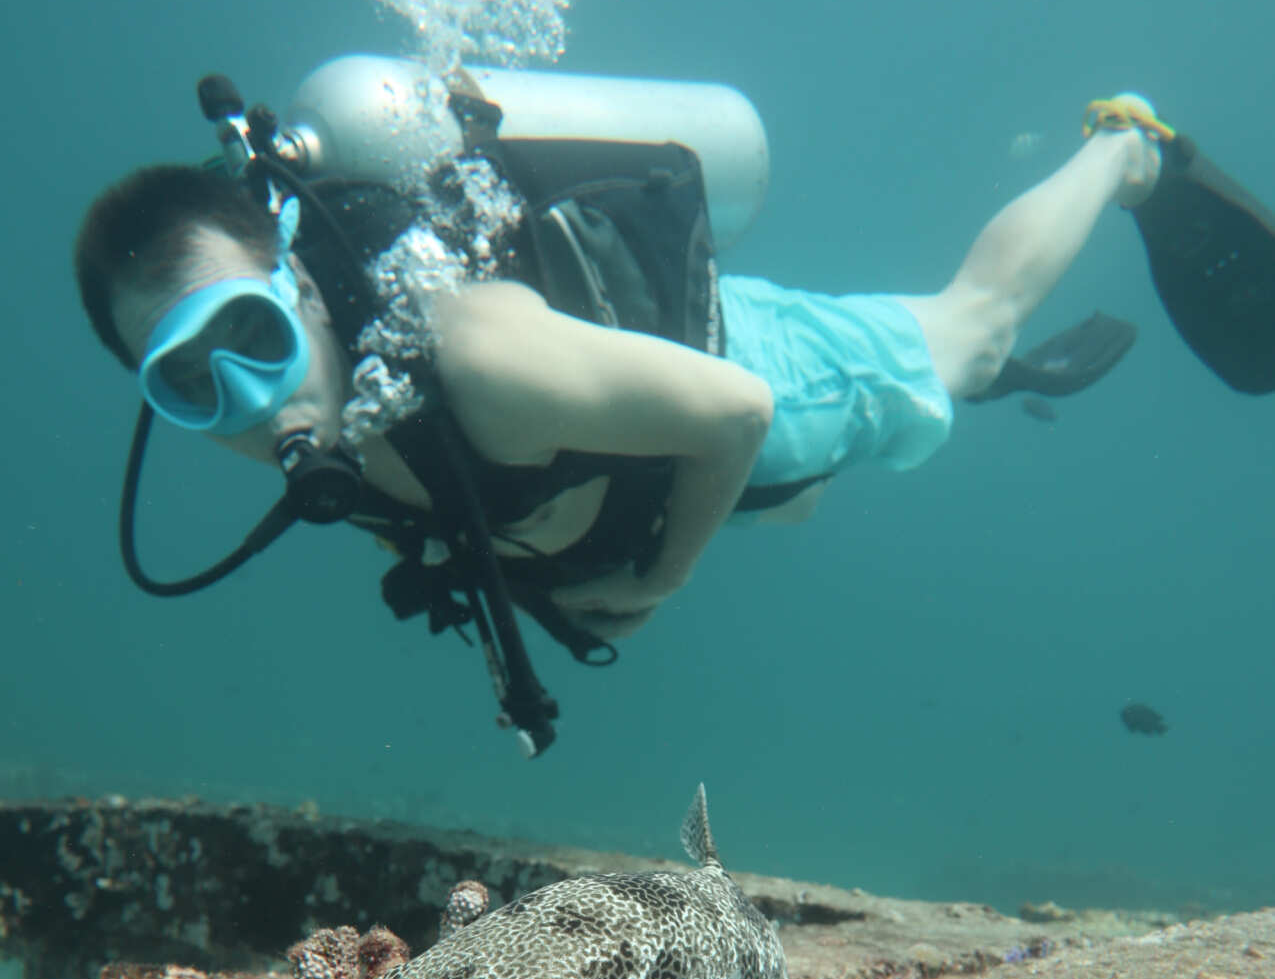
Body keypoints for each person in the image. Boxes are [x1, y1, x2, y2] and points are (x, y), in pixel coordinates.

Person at [74, 83, 1275, 752]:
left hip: (759, 381)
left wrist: (659, 582)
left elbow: (737, 409)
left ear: (294, 279)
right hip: (639, 410)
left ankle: (1126, 153)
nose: (252, 401)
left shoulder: (479, 354)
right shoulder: (344, 413)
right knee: (795, 504)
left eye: (252, 335)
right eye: (188, 383)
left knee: (973, 329)